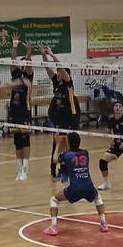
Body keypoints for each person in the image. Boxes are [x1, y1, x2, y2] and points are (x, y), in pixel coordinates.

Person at [44, 132, 108, 236]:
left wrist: (58, 144)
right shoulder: (85, 153)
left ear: (68, 142)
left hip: (75, 188)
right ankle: (104, 223)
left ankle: (53, 226)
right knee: (97, 197)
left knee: (54, 200)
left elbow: (55, 160)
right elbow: (73, 152)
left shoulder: (66, 155)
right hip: (88, 186)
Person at [42, 45, 79, 182]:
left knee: (68, 146)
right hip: (59, 118)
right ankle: (54, 171)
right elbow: (47, 68)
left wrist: (52, 54)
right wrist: (43, 55)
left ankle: (67, 171)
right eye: (57, 73)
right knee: (57, 144)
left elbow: (61, 68)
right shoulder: (55, 82)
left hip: (71, 117)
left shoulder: (68, 83)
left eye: (60, 73)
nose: (57, 75)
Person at [9, 34, 34, 181]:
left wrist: (29, 52)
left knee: (25, 140)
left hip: (25, 110)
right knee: (17, 141)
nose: (23, 64)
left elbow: (29, 63)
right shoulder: (15, 73)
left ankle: (25, 169)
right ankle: (19, 168)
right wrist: (14, 44)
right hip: (14, 110)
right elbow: (13, 59)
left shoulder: (28, 75)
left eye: (25, 63)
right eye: (22, 63)